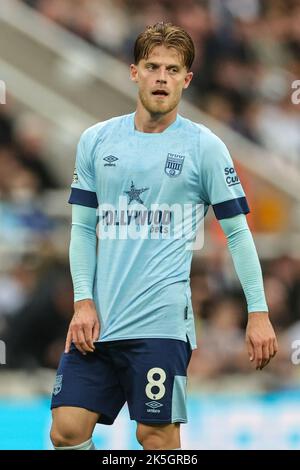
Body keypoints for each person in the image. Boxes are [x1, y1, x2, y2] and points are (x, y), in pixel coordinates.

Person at [50, 22, 278, 451]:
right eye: (152, 66)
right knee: (66, 431)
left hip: (161, 324)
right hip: (97, 321)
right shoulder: (97, 141)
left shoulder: (204, 147)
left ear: (186, 80)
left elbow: (237, 233)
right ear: (133, 72)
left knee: (155, 437)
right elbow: (82, 228)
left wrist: (259, 312)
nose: (161, 77)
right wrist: (82, 301)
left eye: (173, 70)